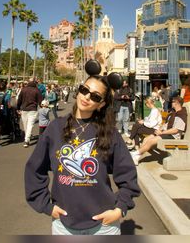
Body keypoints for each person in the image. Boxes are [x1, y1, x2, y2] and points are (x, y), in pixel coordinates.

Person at [25, 60, 140, 235]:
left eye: (95, 96)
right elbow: (35, 169)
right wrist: (45, 205)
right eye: (84, 90)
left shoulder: (110, 133)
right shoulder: (55, 128)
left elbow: (128, 175)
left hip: (104, 227)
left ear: (101, 104)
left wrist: (120, 209)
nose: (87, 97)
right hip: (63, 225)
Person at [130, 96, 187, 165]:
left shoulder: (181, 114)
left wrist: (162, 132)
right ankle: (137, 158)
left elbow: (176, 130)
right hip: (165, 133)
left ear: (177, 103)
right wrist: (160, 129)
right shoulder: (173, 112)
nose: (171, 103)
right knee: (146, 139)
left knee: (151, 141)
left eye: (173, 102)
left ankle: (136, 153)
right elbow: (167, 124)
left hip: (173, 136)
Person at [17, 78, 43, 148]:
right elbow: (40, 100)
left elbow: (19, 99)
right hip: (33, 109)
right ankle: (27, 138)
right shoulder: (37, 90)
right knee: (29, 125)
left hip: (24, 109)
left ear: (28, 82)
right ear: (35, 82)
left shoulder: (24, 89)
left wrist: (18, 108)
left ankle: (27, 139)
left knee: (25, 125)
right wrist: (41, 106)